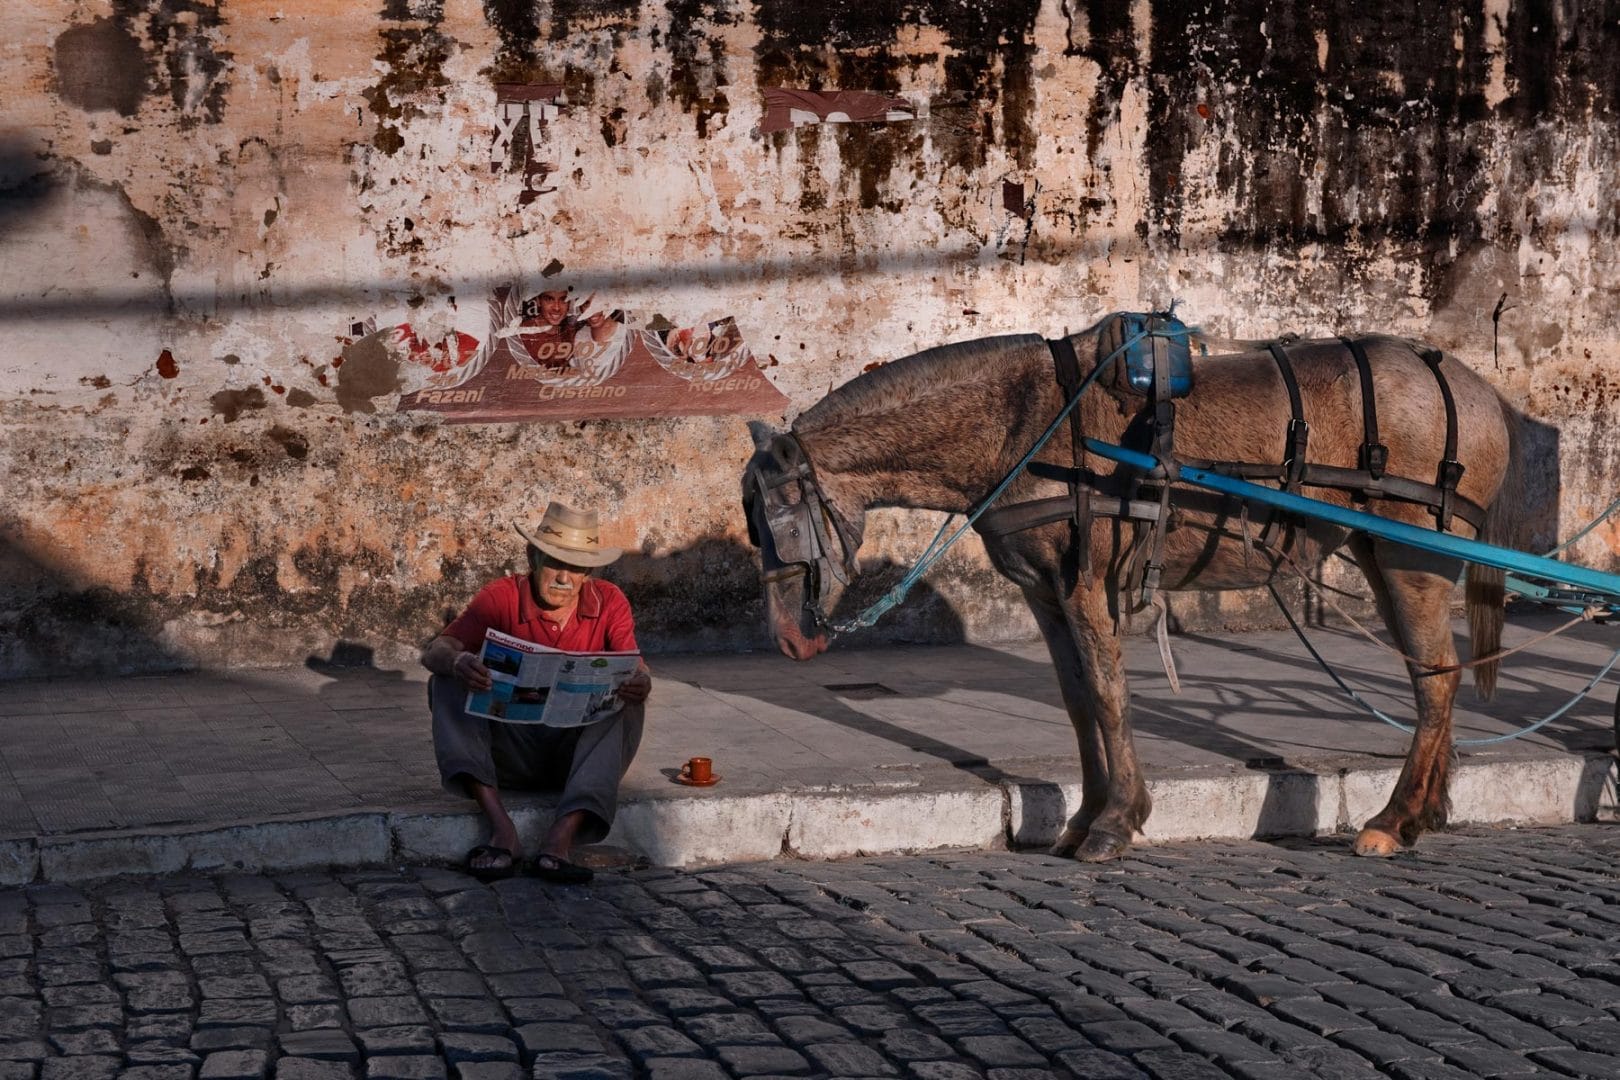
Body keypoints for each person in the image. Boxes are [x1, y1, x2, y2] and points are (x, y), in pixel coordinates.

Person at [422, 501, 651, 884]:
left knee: (628, 697)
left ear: (588, 572)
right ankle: (502, 831)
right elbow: (436, 651)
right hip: (508, 756)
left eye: (576, 567)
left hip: (576, 759)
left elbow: (635, 663)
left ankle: (560, 841)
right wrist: (459, 663)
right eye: (554, 563)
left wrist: (641, 680)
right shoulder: (500, 597)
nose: (564, 577)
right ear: (533, 557)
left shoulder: (610, 601)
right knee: (444, 678)